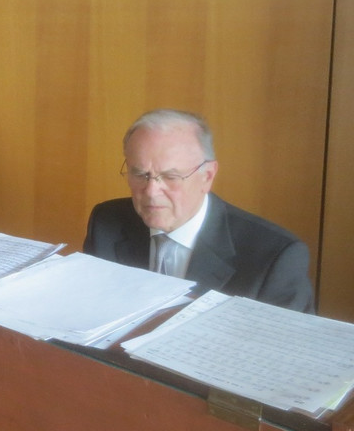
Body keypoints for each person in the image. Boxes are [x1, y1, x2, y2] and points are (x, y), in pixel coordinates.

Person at [83, 108, 315, 313]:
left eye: (171, 176)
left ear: (207, 176)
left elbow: (289, 346)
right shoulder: (107, 222)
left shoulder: (275, 257)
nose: (151, 191)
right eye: (140, 174)